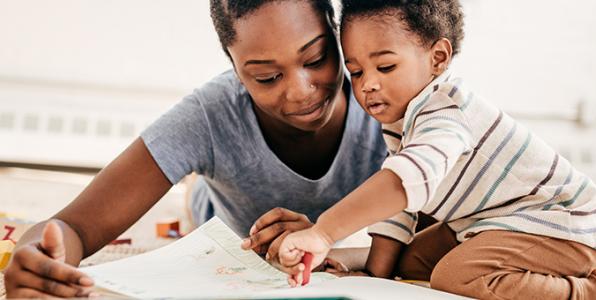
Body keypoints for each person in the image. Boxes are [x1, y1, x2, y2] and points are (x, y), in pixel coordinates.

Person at [3, 0, 388, 297]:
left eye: (316, 58)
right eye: (267, 77)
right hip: (217, 215)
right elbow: (73, 226)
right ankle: (195, 189)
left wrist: (321, 235)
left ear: (336, 31)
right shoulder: (210, 116)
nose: (301, 90)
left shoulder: (391, 99)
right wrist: (36, 257)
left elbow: (438, 233)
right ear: (235, 71)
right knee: (199, 204)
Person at [278, 0, 596, 299]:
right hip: (489, 223)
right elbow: (399, 209)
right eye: (357, 71)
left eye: (385, 67)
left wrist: (324, 232)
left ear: (438, 59)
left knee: (455, 275)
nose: (367, 85)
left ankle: (586, 290)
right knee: (412, 259)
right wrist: (373, 274)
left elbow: (405, 181)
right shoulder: (406, 118)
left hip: (558, 225)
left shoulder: (447, 112)